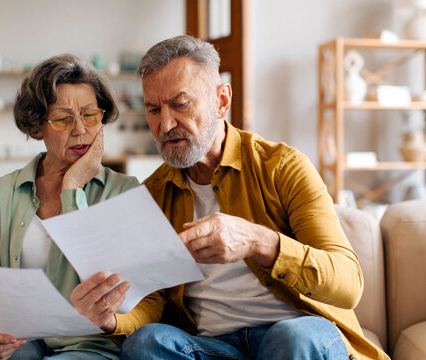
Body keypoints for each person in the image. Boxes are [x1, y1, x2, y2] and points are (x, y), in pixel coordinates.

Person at [119, 36, 389, 360]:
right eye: (153, 109)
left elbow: (347, 283)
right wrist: (112, 320)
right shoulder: (153, 194)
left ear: (221, 101)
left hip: (295, 335)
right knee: (146, 343)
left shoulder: (282, 167)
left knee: (291, 338)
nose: (165, 124)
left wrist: (258, 242)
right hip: (212, 348)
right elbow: (153, 300)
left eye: (180, 104)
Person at [0, 54, 146, 360]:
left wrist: (72, 188)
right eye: (63, 119)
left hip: (87, 346)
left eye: (90, 115)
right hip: (19, 337)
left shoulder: (124, 191)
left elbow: (105, 281)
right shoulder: (3, 192)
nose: (80, 129)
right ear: (37, 126)